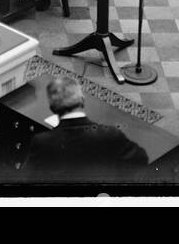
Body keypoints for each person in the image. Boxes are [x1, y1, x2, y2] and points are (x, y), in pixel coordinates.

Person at [20, 73, 148, 182]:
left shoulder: (42, 142)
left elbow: (26, 178)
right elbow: (141, 159)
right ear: (82, 100)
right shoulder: (110, 134)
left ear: (53, 108)